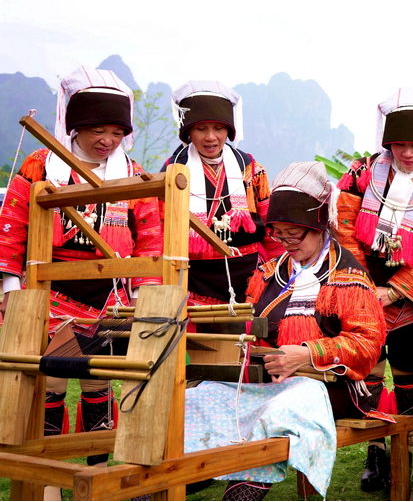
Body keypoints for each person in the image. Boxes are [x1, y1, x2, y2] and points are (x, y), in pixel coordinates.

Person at [0, 67, 163, 498]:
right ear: (75, 127)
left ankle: (100, 474)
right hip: (49, 290)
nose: (107, 140)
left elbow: (150, 236)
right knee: (50, 382)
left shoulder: (133, 173)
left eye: (116, 132)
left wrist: (144, 292)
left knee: (98, 382)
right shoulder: (41, 165)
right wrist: (10, 289)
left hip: (111, 294)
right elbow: (12, 225)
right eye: (97, 130)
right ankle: (49, 479)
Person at [184, 161, 388, 501]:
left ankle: (240, 495)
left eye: (294, 233)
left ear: (318, 227)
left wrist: (308, 353)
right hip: (266, 383)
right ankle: (177, 478)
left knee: (283, 409)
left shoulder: (349, 278)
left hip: (327, 388)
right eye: (279, 233)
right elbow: (250, 329)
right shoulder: (267, 274)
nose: (285, 241)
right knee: (196, 399)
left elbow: (367, 343)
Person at [336, 88, 413, 492]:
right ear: (388, 143)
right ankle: (375, 451)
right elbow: (345, 230)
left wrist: (395, 291)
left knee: (405, 371)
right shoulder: (361, 175)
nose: (409, 153)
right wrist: (363, 285)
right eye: (400, 145)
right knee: (369, 371)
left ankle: (404, 448)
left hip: (406, 298)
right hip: (361, 288)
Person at [160, 81, 283, 313]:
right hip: (193, 277)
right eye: (200, 129)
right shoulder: (174, 170)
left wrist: (277, 272)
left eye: (218, 128)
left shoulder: (250, 168)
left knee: (248, 333)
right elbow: (160, 228)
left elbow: (271, 225)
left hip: (249, 273)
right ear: (188, 132)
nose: (211, 137)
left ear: (229, 131)